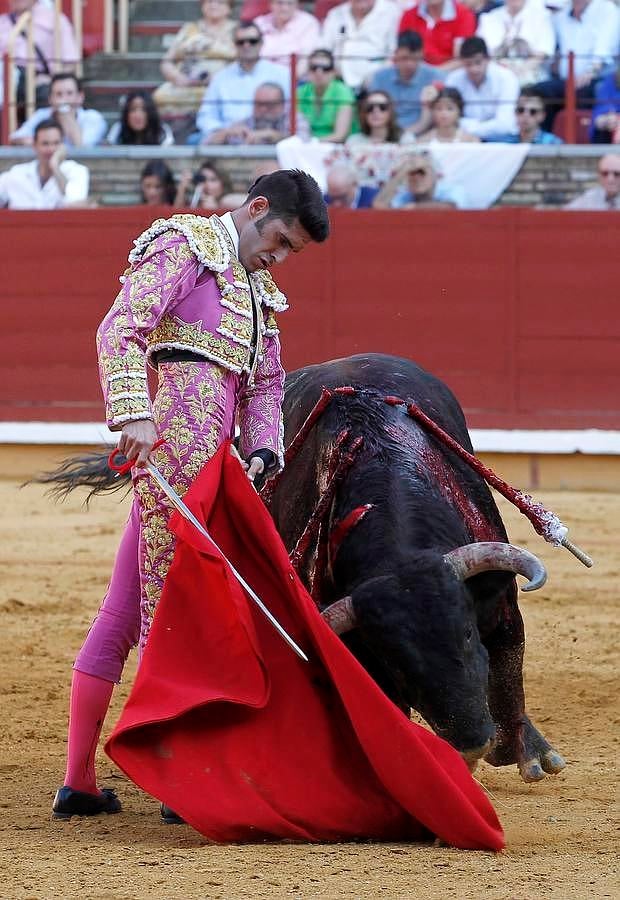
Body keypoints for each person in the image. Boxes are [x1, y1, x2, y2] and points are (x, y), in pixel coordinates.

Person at [51, 169, 330, 820]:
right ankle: (178, 776)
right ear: (257, 208)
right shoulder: (185, 246)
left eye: (292, 252)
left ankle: (79, 782)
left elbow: (265, 385)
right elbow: (119, 328)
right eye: (281, 240)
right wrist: (132, 412)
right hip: (172, 460)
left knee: (127, 611)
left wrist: (264, 446)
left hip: (217, 473)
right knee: (177, 612)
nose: (280, 258)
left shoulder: (260, 292)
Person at [195, 21, 290, 143]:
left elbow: (291, 114)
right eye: (241, 42)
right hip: (229, 142)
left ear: (261, 43)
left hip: (270, 142)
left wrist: (272, 134)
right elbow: (206, 116)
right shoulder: (221, 78)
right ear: (234, 45)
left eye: (252, 41)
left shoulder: (282, 74)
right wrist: (225, 131)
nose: (247, 45)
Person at [534, 0, 620, 132]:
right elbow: (552, 49)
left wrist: (591, 72)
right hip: (566, 80)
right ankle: (546, 142)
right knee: (539, 91)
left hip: (596, 78)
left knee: (586, 92)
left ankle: (582, 144)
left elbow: (604, 48)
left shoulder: (607, 10)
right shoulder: (560, 15)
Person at [152, 0, 236, 118]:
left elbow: (243, 63)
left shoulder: (237, 31)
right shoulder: (189, 29)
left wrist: (218, 79)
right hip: (185, 85)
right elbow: (167, 62)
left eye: (220, 2)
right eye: (209, 1)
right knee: (159, 98)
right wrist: (178, 78)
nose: (213, 5)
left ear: (229, 8)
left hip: (221, 87)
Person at [0, 0, 79, 107]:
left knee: (50, 94)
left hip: (36, 78)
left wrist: (51, 79)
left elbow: (70, 63)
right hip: (5, 75)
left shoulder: (55, 20)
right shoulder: (2, 22)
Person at [0, 118, 89, 209]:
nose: (51, 149)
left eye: (56, 143)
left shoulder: (77, 171)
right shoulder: (16, 173)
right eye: (45, 144)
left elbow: (75, 206)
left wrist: (55, 167)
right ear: (35, 145)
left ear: (62, 145)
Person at [368, 31, 443, 136]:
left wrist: (406, 136)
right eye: (404, 58)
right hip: (386, 134)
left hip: (424, 135)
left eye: (415, 59)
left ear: (422, 54)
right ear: (395, 54)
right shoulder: (379, 77)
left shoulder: (435, 76)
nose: (409, 64)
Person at [445, 36, 520, 138]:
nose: (473, 69)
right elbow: (448, 121)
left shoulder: (507, 78)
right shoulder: (453, 79)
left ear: (488, 59)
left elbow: (505, 124)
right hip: (464, 140)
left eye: (478, 62)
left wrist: (469, 126)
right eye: (468, 64)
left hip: (500, 139)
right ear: (461, 62)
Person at [9, 72, 107, 147]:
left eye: (69, 93)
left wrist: (65, 113)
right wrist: (41, 143)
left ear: (80, 97)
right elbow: (16, 138)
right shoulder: (42, 115)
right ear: (50, 98)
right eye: (59, 94)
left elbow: (82, 147)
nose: (64, 99)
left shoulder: (93, 117)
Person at [320, 0, 401, 90]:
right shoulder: (335, 14)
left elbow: (394, 52)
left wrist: (379, 78)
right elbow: (324, 50)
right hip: (338, 81)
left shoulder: (391, 12)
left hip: (377, 85)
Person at [476, 0, 555, 86]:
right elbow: (482, 52)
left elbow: (543, 52)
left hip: (532, 82)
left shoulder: (542, 17)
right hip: (496, 80)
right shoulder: (489, 18)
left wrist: (519, 71)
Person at [204, 81, 305, 144]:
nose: (263, 109)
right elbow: (205, 145)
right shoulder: (245, 124)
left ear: (282, 105)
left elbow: (304, 143)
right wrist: (225, 134)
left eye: (269, 105)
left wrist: (275, 136)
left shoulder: (294, 120)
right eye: (258, 104)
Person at [296, 48, 355, 142]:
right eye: (314, 68)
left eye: (325, 68)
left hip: (336, 147)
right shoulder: (300, 92)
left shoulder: (343, 92)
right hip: (306, 146)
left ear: (334, 72)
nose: (319, 73)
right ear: (308, 70)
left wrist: (312, 144)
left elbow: (340, 136)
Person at [398, 0, 476, 69]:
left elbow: (460, 59)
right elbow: (403, 54)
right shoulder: (409, 15)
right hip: (414, 73)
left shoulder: (464, 15)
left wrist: (435, 73)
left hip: (449, 73)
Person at [373, 151, 468, 208]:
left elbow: (451, 207)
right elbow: (379, 205)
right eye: (411, 173)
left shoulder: (451, 188)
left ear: (435, 175)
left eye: (421, 172)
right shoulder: (405, 194)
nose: (416, 178)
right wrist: (400, 175)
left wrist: (413, 208)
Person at [255, 0, 320, 76]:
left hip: (294, 80)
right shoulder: (259, 23)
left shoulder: (308, 23)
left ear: (297, 5)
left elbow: (305, 61)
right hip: (259, 77)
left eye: (290, 3)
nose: (284, 8)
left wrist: (287, 80)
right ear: (270, 4)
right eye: (279, 3)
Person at [485, 85, 563, 143]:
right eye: (521, 110)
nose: (526, 115)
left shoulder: (553, 143)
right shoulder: (505, 142)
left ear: (542, 116)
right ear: (515, 112)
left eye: (533, 111)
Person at [413, 85, 479, 143]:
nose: (444, 113)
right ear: (432, 111)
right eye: (439, 108)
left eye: (450, 109)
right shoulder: (423, 141)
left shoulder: (471, 141)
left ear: (459, 111)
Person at [106, 91, 175, 146]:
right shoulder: (118, 129)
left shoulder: (162, 131)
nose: (138, 115)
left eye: (144, 110)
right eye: (133, 109)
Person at [590, 64, 620, 144]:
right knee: (600, 121)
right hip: (609, 118)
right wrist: (610, 114)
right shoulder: (610, 81)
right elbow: (601, 105)